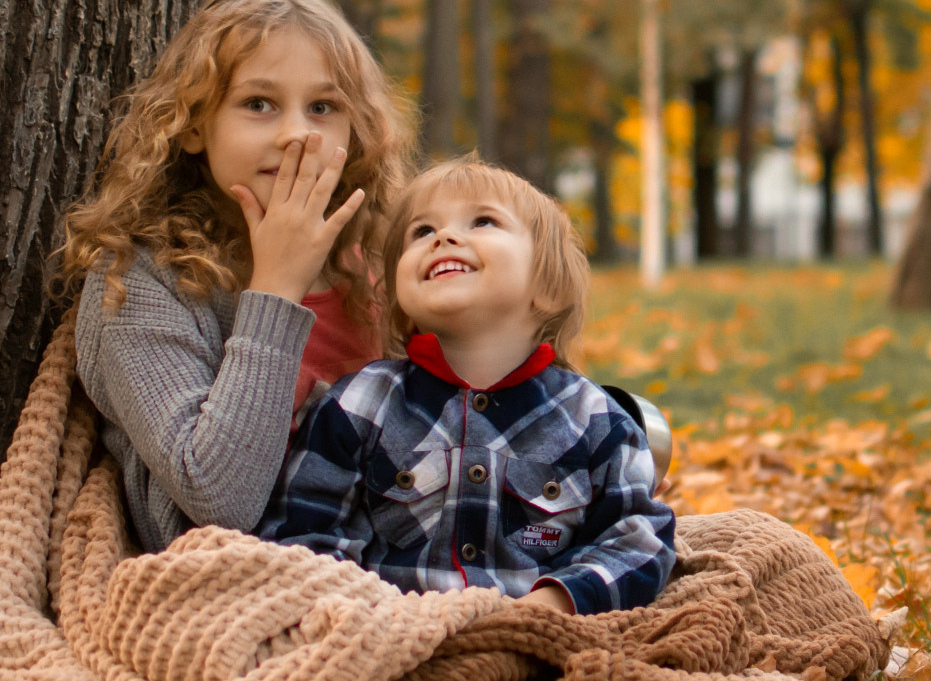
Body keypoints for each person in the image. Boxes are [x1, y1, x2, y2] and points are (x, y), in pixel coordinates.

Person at [59, 0, 411, 554]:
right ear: (195, 124)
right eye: (258, 104)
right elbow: (222, 501)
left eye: (323, 107)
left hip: (402, 572)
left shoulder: (382, 263)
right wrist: (276, 287)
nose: (297, 132)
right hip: (241, 583)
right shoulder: (140, 283)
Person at [261, 157, 676, 614]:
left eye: (483, 221)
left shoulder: (592, 419)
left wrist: (557, 602)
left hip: (537, 641)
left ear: (548, 285)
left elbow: (638, 539)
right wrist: (360, 616)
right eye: (421, 232)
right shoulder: (361, 405)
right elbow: (302, 534)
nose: (444, 237)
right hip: (393, 640)